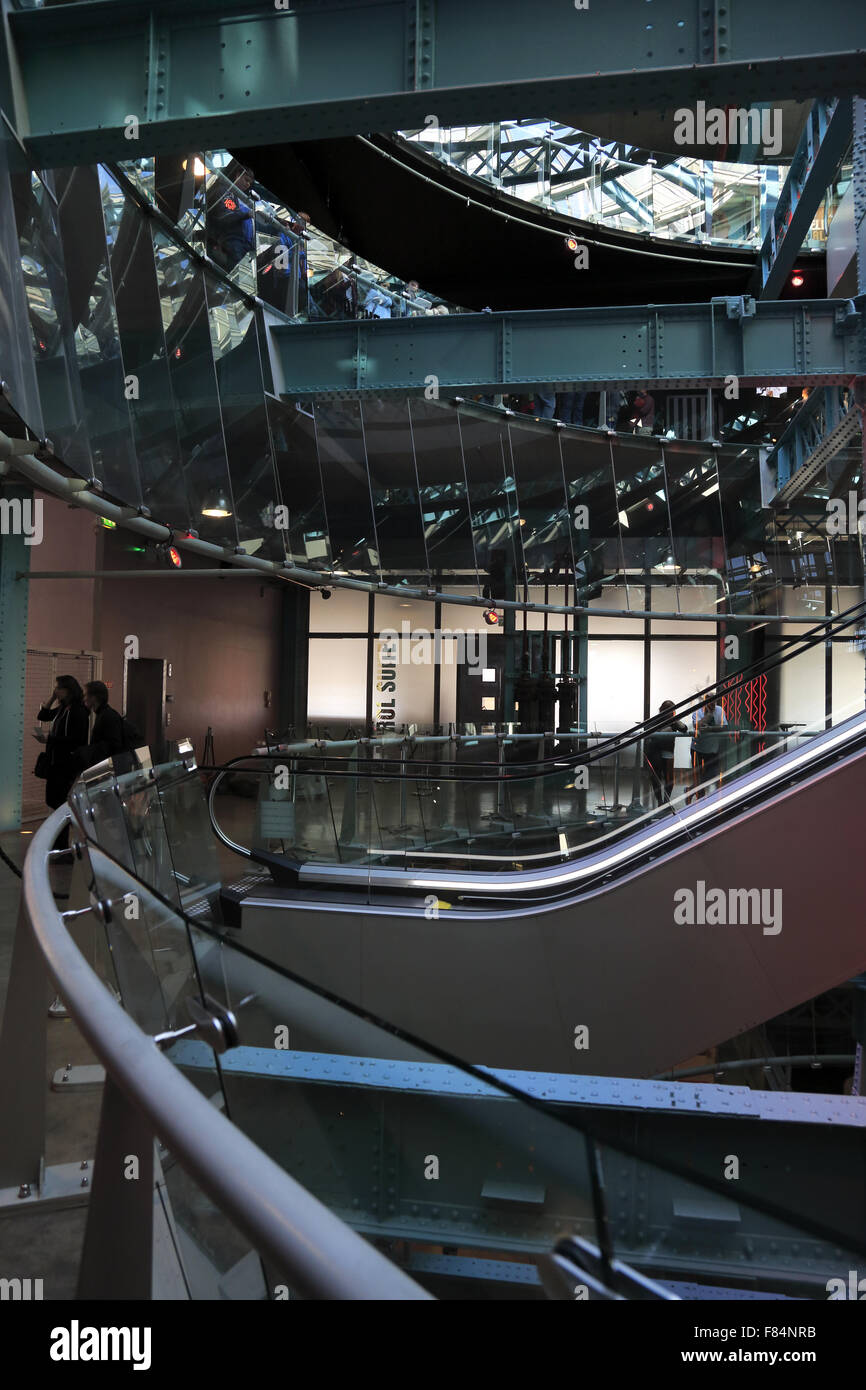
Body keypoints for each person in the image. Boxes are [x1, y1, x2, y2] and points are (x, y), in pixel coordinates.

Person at [34, 676, 90, 847]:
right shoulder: (63, 709)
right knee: (53, 801)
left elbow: (76, 739)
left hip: (65, 766)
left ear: (68, 690)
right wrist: (52, 698)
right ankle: (58, 844)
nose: (56, 690)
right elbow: (43, 715)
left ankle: (62, 846)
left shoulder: (78, 711)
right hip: (55, 764)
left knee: (59, 803)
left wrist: (49, 740)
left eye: (58, 688)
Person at [643, 700, 688, 806]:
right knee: (657, 777)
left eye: (672, 711)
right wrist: (668, 729)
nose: (671, 713)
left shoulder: (673, 721)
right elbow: (648, 731)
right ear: (663, 711)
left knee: (669, 778)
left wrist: (676, 722)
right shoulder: (656, 720)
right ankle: (660, 801)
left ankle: (666, 801)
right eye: (669, 711)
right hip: (655, 752)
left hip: (667, 751)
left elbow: (684, 729)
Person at [78, 681, 126, 769]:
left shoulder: (107, 716)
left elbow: (114, 745)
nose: (83, 699)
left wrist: (87, 751)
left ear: (94, 697)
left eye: (85, 695)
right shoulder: (103, 714)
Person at [688, 695, 728, 800]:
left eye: (714, 702)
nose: (712, 705)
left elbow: (724, 727)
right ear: (705, 702)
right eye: (710, 702)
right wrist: (709, 715)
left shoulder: (719, 710)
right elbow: (698, 726)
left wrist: (710, 728)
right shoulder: (697, 712)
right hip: (698, 749)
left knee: (711, 776)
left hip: (713, 750)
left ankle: (690, 790)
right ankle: (700, 802)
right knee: (699, 777)